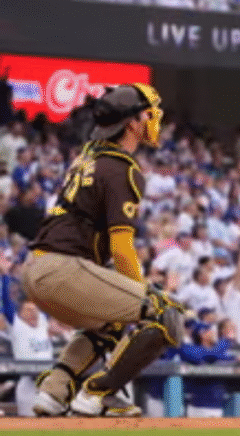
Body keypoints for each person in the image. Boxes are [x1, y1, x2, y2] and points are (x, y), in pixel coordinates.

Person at [21, 83, 184, 417]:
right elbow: (122, 247)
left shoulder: (89, 155)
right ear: (132, 123)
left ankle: (55, 389)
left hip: (38, 269)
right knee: (167, 313)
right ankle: (98, 392)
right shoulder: (122, 166)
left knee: (111, 320)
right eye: (149, 114)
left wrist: (130, 302)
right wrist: (141, 295)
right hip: (63, 270)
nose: (155, 120)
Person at [1, 262, 53, 417]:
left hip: (47, 383)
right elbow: (7, 302)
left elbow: (47, 298)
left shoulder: (42, 321)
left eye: (34, 310)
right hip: (28, 384)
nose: (33, 313)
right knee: (29, 425)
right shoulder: (16, 325)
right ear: (20, 313)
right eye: (28, 310)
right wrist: (4, 276)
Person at [178, 320, 240, 417]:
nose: (213, 333)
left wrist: (235, 358)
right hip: (198, 407)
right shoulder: (191, 349)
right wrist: (226, 340)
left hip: (217, 406)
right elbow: (212, 355)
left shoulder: (220, 352)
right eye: (209, 331)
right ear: (201, 334)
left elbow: (218, 355)